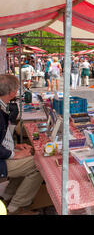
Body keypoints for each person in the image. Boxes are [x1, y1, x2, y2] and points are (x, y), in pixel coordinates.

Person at [0, 75, 43, 215]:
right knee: (39, 164)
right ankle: (16, 207)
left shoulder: (3, 106)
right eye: (17, 89)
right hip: (2, 160)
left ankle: (7, 197)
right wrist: (14, 154)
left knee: (28, 160)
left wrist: (17, 147)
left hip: (4, 155)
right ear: (12, 93)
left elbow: (2, 138)